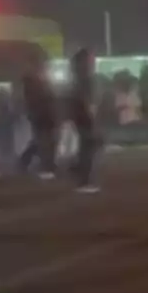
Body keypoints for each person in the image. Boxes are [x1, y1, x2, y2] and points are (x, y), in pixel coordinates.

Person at [66, 48, 100, 193]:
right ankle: (83, 180)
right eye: (91, 58)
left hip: (80, 116)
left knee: (88, 146)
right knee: (88, 147)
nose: (94, 61)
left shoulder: (78, 77)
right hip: (84, 117)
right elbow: (86, 100)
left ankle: (78, 171)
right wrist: (91, 113)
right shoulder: (85, 79)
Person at [17, 63, 58, 179]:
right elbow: (37, 101)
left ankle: (44, 163)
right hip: (41, 116)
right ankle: (43, 163)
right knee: (42, 141)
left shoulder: (38, 83)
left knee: (43, 141)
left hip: (44, 116)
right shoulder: (34, 85)